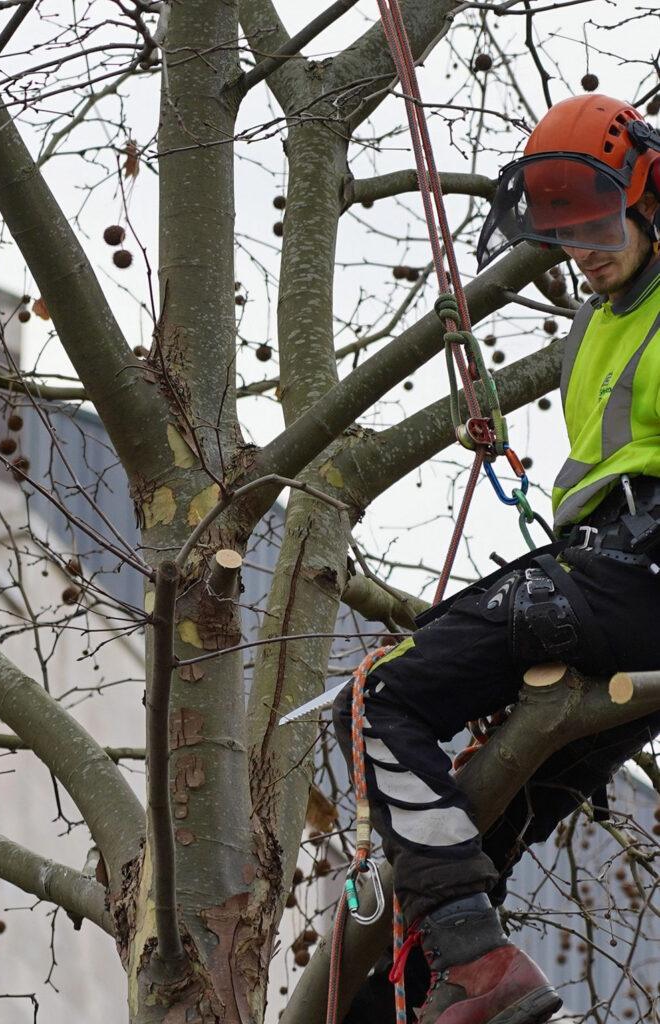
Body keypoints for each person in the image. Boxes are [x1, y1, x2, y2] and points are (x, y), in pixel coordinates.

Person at [334, 93, 660, 1024]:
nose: (587, 248)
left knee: (381, 696)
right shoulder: (593, 327)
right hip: (607, 577)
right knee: (491, 818)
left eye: (600, 221)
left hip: (635, 572)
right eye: (565, 232)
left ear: (645, 199)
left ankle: (480, 969)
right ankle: (424, 1002)